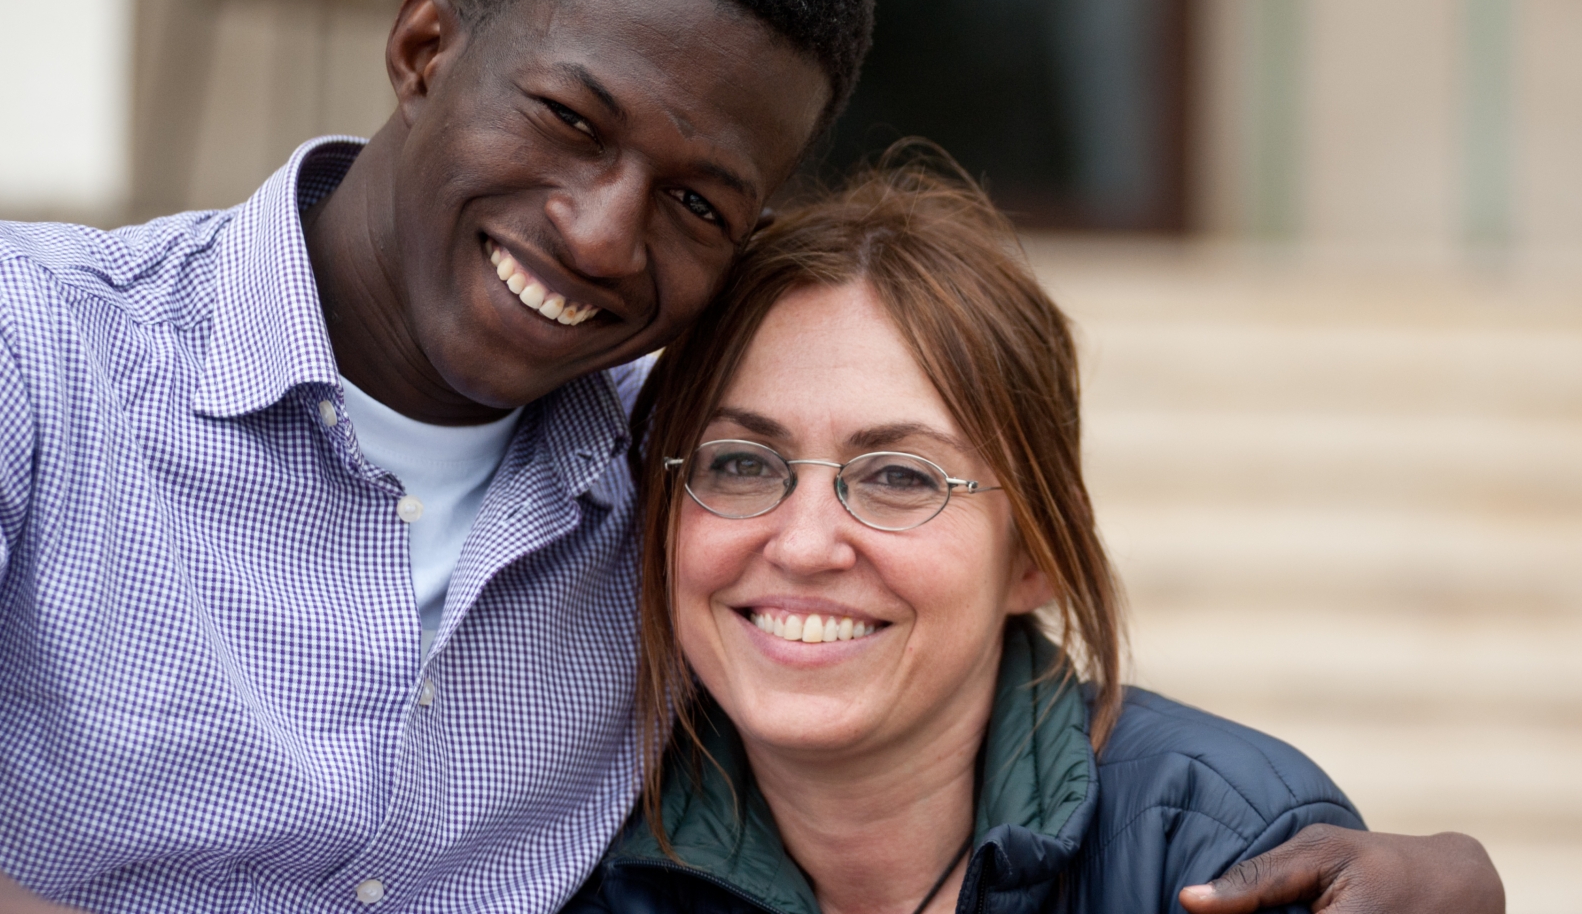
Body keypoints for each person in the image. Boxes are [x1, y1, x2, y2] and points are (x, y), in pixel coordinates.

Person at [0, 0, 1500, 913]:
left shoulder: (691, 479)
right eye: (569, 119)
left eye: (698, 201)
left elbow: (951, 654)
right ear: (424, 49)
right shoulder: (18, 347)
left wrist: (1371, 846)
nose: (599, 232)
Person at [568, 154, 1366, 913]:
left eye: (899, 476)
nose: (805, 544)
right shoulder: (570, 847)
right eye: (740, 462)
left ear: (1035, 555)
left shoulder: (1220, 847)